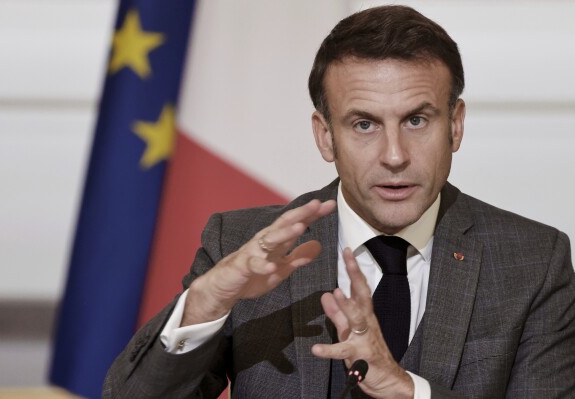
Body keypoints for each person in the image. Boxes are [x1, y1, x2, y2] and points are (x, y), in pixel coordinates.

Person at [103, 5, 575, 398]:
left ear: (455, 125)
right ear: (326, 137)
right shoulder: (241, 245)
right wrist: (205, 303)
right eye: (364, 124)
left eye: (416, 120)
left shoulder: (533, 260)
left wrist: (407, 389)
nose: (394, 156)